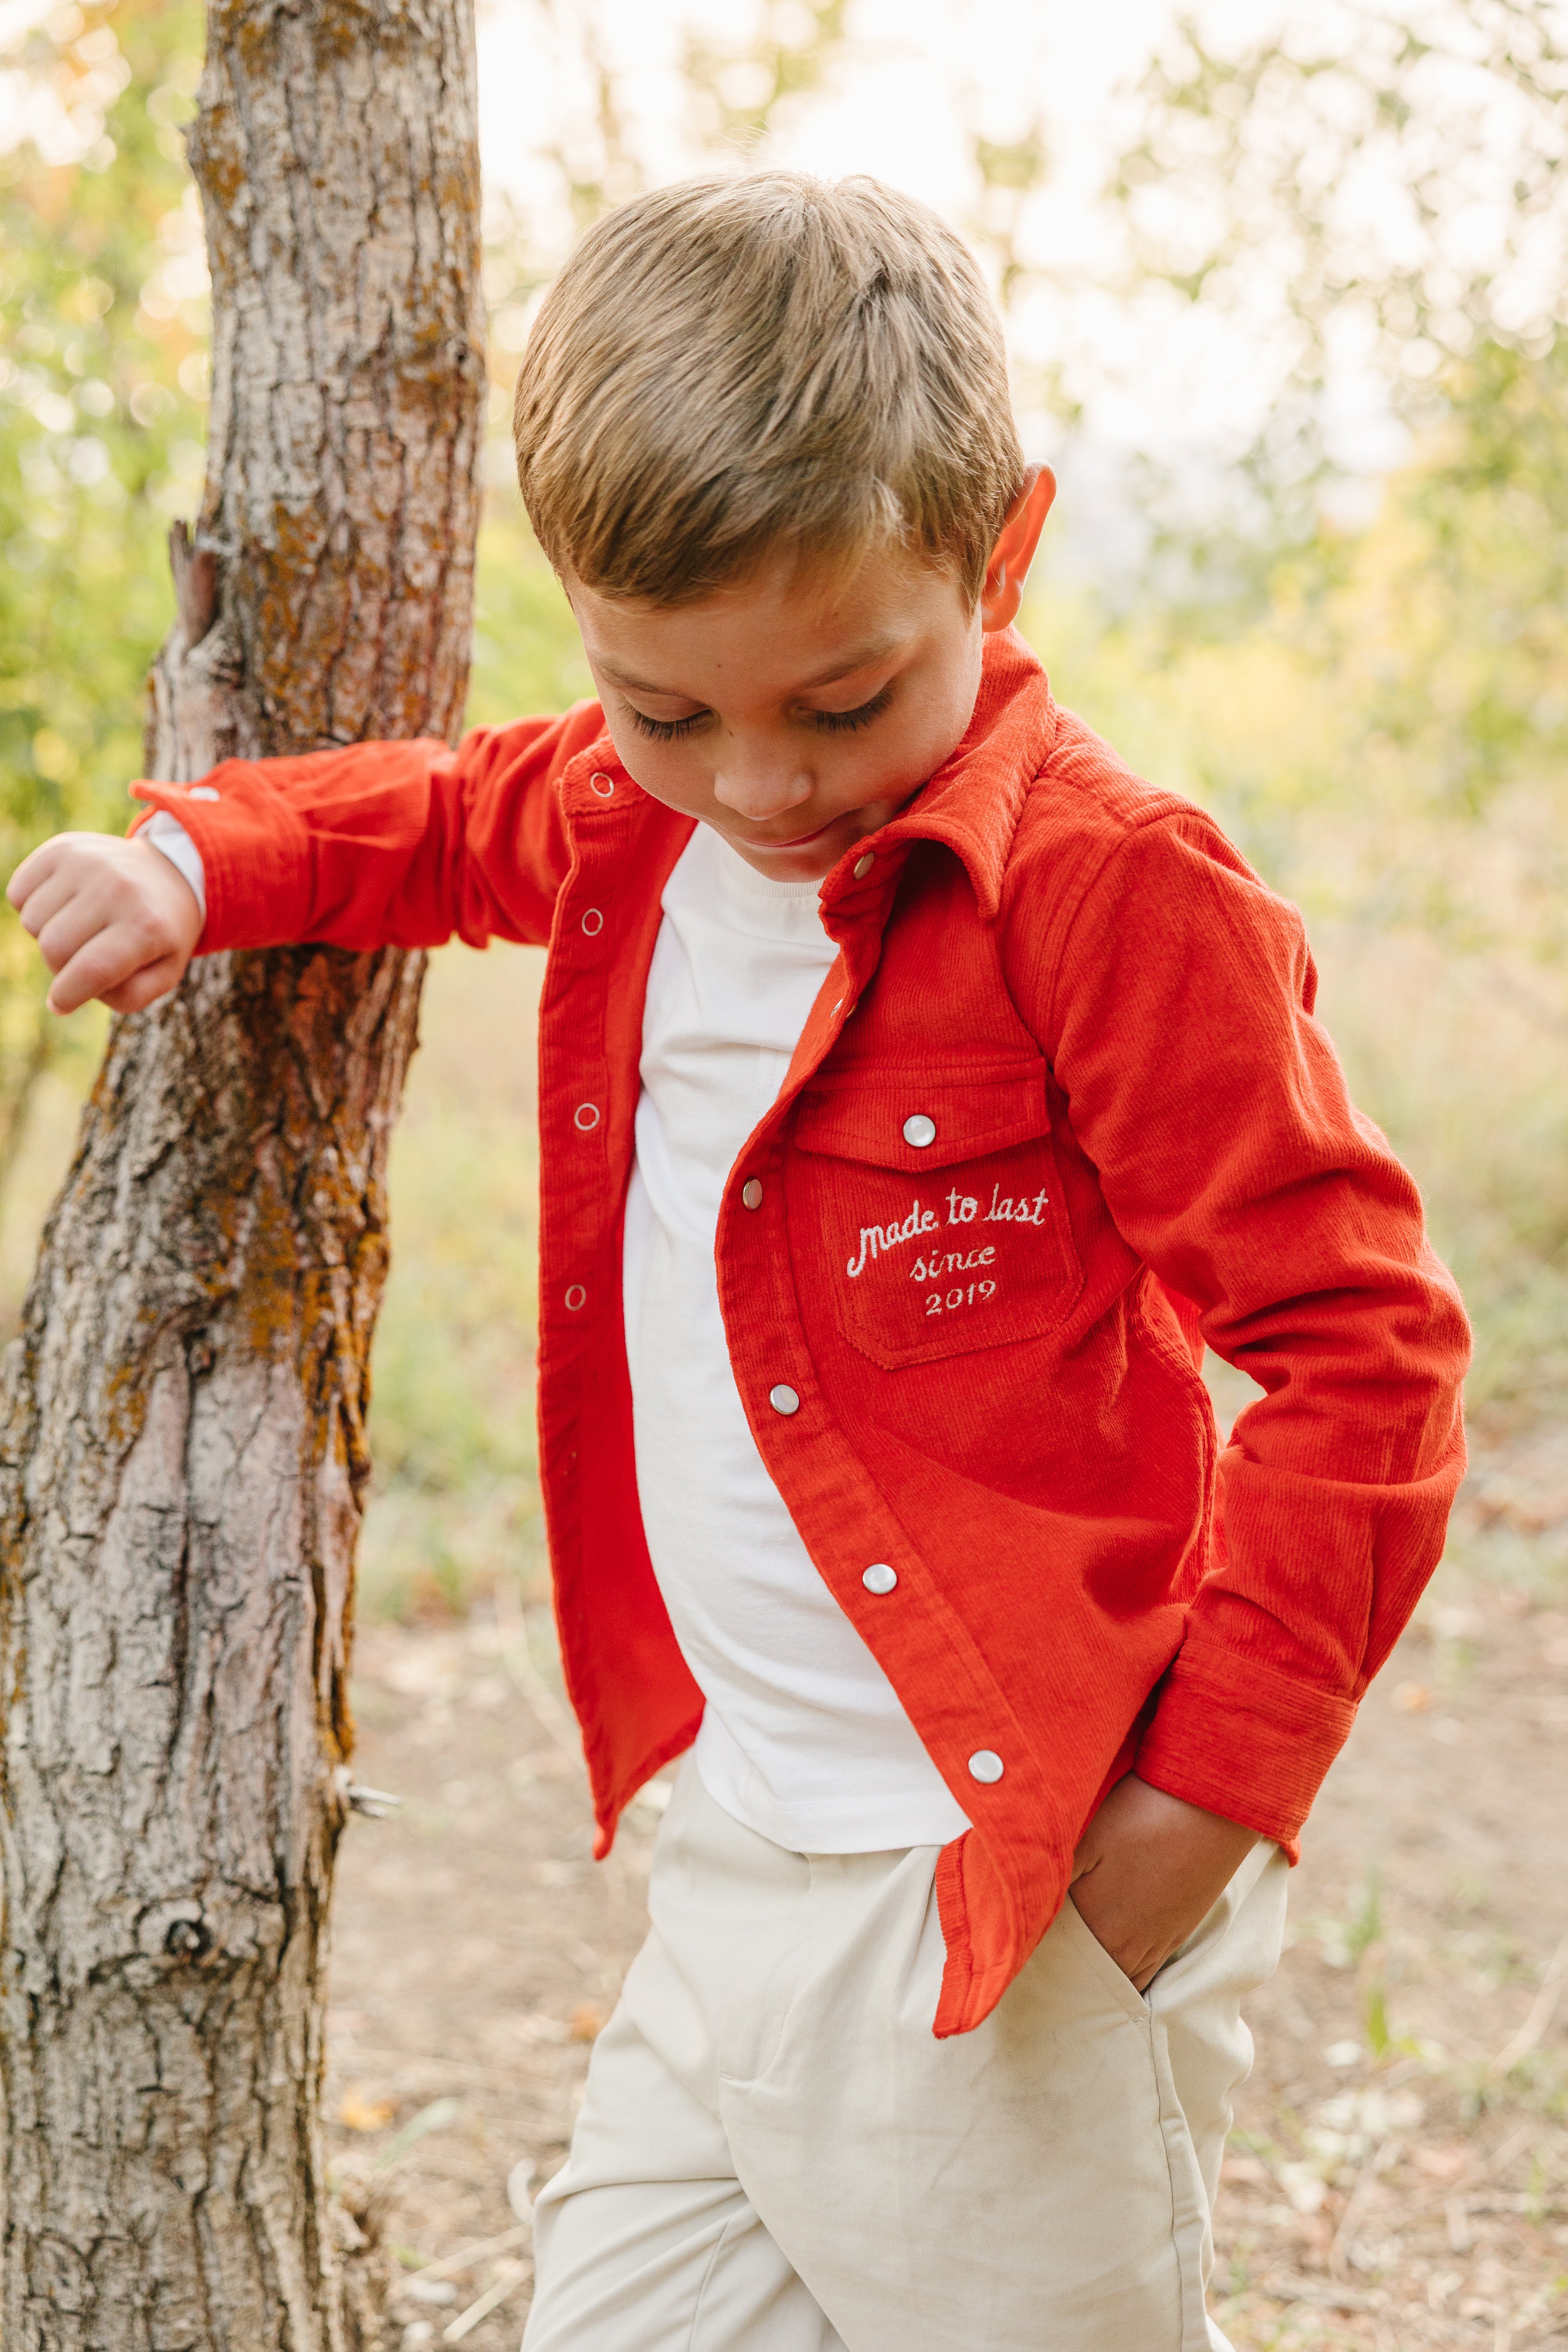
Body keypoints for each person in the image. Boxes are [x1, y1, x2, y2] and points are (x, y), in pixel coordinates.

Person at [7, 172, 1469, 2352]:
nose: (759, 787)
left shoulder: (1109, 897)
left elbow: (1368, 1353)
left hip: (996, 1877)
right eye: (666, 711)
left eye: (844, 700)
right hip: (740, 1852)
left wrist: (1193, 1811)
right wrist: (193, 861)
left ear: (1001, 554)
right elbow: (431, 814)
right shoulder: (631, 818)